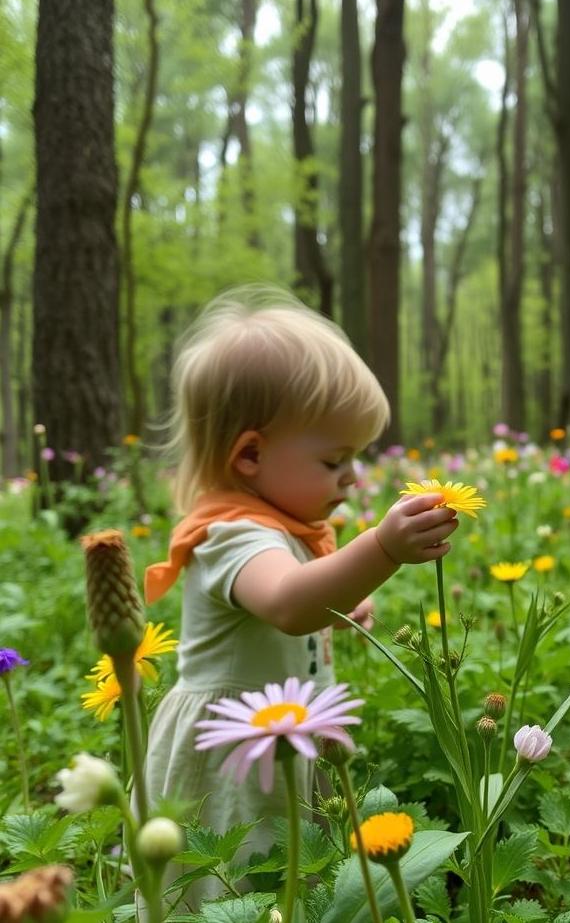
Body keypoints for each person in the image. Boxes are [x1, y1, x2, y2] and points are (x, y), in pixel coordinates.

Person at [142, 285, 458, 906]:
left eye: (354, 458)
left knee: (286, 874)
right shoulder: (229, 534)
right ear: (251, 454)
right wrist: (382, 550)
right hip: (230, 751)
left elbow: (301, 602)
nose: (349, 477)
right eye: (333, 460)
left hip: (278, 735)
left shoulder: (280, 532)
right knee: (233, 879)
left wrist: (337, 607)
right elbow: (288, 605)